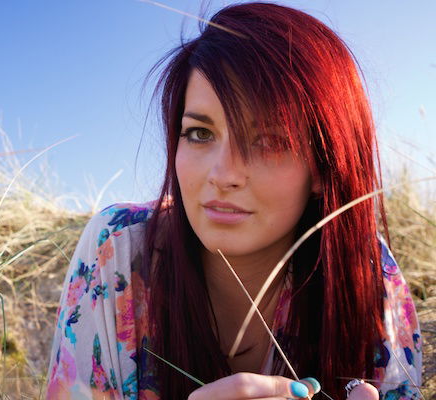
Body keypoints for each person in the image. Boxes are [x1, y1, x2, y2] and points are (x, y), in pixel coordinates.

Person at [45, 3, 422, 399]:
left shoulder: (364, 274)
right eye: (200, 133)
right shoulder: (118, 250)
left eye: (272, 141)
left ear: (324, 168)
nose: (223, 174)